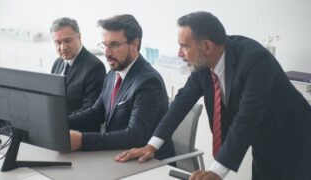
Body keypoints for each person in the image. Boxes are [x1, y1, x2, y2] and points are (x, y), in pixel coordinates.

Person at [115, 11, 311, 180]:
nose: (180, 54)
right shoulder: (203, 65)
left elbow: (247, 117)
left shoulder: (255, 60)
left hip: (295, 140)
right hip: (262, 142)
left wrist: (216, 171)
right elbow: (181, 102)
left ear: (207, 46)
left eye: (184, 46)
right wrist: (152, 146)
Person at [68, 14, 175, 160]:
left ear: (135, 44)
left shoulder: (149, 82)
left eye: (114, 45)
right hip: (117, 156)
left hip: (149, 163)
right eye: (104, 45)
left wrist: (82, 140)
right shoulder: (114, 72)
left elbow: (134, 136)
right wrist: (63, 122)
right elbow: (96, 112)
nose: (106, 52)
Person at [50, 17, 106, 132]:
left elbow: (90, 110)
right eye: (58, 42)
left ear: (79, 37)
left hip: (80, 134)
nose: (63, 47)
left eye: (67, 41)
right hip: (58, 131)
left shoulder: (95, 67)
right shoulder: (58, 62)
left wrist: (59, 123)